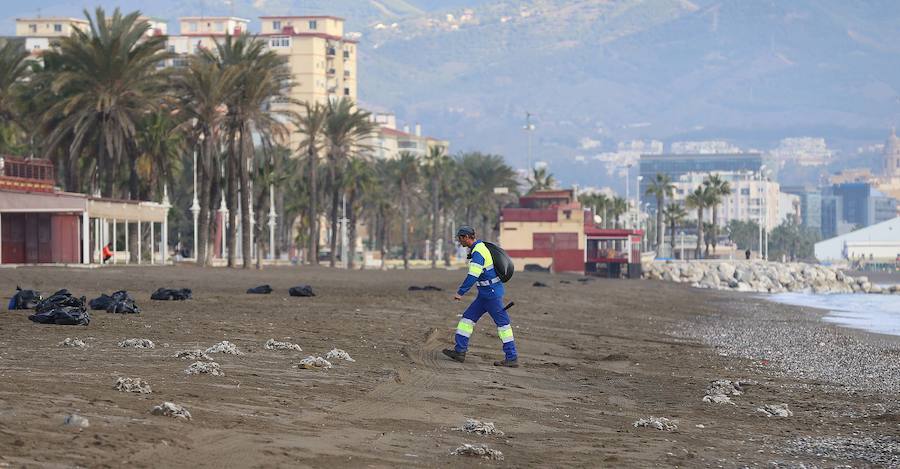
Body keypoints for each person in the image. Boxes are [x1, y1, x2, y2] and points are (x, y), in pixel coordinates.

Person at [442, 226, 519, 367]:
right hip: (485, 295)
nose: (459, 242)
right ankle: (459, 351)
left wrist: (460, 292)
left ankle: (512, 357)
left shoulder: (478, 252)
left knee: (503, 325)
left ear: (466, 237)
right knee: (467, 319)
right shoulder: (481, 247)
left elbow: (472, 276)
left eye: (460, 238)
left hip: (491, 295)